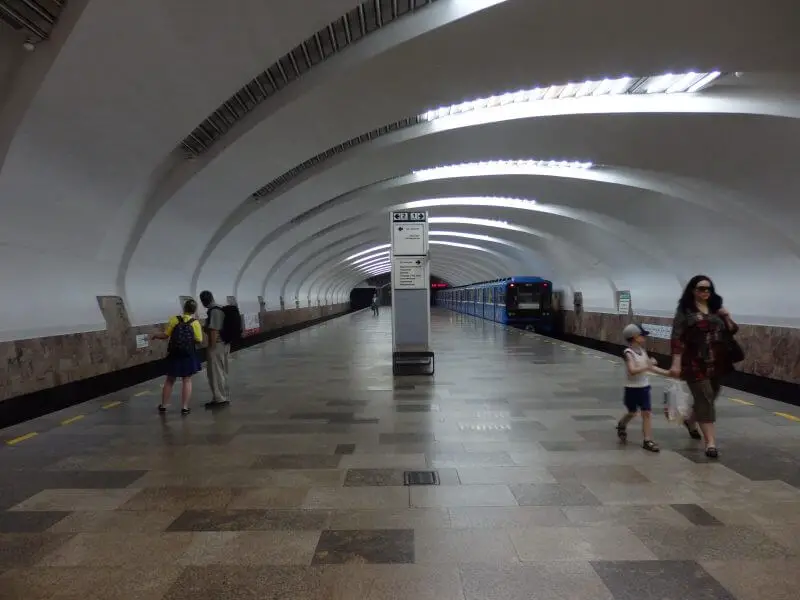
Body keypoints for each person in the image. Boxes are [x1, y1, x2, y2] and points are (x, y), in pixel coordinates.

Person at [669, 275, 738, 459]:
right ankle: (710, 443)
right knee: (705, 397)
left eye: (708, 289)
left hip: (717, 360)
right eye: (701, 288)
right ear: (693, 290)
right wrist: (676, 362)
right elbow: (677, 337)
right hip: (694, 361)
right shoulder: (685, 310)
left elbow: (730, 330)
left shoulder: (716, 308)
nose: (705, 292)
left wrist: (727, 316)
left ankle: (691, 421)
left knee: (713, 393)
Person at [616, 323, 671, 452]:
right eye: (642, 335)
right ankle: (622, 424)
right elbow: (632, 370)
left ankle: (647, 440)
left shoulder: (643, 351)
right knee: (632, 412)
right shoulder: (628, 353)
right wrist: (648, 365)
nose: (644, 338)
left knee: (646, 413)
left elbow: (651, 368)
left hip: (644, 387)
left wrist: (668, 373)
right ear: (634, 337)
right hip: (631, 389)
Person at [151, 298, 203, 415]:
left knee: (170, 380)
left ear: (184, 308)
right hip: (188, 354)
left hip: (174, 354)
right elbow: (199, 339)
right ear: (194, 310)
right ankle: (184, 407)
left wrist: (155, 335)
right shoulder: (195, 323)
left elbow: (165, 335)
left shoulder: (174, 319)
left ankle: (164, 405)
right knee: (187, 380)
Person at [199, 290, 230, 407]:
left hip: (217, 345)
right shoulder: (218, 308)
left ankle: (220, 399)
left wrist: (211, 347)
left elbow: (214, 331)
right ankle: (219, 396)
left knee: (215, 372)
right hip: (222, 344)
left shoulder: (215, 311)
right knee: (219, 371)